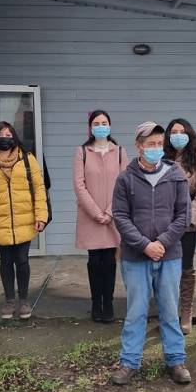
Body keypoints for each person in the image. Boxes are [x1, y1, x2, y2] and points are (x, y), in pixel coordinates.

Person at [110, 122, 191, 386]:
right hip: (136, 256)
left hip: (169, 255)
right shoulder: (125, 178)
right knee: (136, 310)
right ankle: (129, 362)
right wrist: (145, 244)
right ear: (139, 146)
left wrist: (163, 243)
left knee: (169, 309)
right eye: (150, 144)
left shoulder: (176, 175)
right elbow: (121, 217)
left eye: (159, 144)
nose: (155, 148)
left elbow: (183, 216)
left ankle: (176, 360)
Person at [0, 122, 48, 320]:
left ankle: (23, 300)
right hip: (0, 220)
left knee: (22, 260)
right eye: (1, 134)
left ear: (14, 136)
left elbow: (40, 188)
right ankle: (9, 300)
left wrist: (41, 215)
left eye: (8, 133)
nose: (5, 137)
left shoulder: (27, 159)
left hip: (26, 218)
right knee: (6, 261)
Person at [73, 110, 128, 322]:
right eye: (96, 123)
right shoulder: (82, 152)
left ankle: (109, 302)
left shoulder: (121, 152)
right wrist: (97, 212)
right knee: (95, 261)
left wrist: (110, 211)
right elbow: (79, 185)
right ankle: (96, 302)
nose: (101, 126)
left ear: (110, 125)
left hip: (114, 215)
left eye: (104, 122)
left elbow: (125, 185)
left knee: (110, 261)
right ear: (90, 127)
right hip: (90, 216)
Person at [163, 118, 196, 334]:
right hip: (163, 221)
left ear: (190, 134)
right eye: (174, 131)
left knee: (185, 266)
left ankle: (186, 311)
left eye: (182, 131)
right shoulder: (161, 159)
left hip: (189, 223)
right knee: (165, 266)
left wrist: (188, 218)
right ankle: (168, 311)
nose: (178, 135)